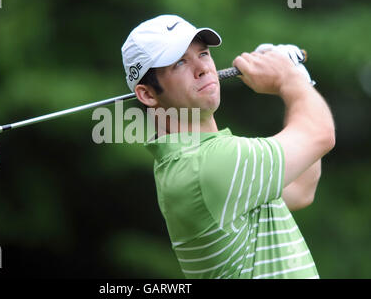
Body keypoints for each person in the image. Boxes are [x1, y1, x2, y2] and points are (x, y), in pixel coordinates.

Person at [121, 14, 335, 279]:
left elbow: (301, 189)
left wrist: (297, 78)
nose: (202, 68)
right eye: (179, 63)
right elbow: (320, 135)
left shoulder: (193, 161)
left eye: (203, 54)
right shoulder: (207, 165)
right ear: (148, 94)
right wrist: (289, 78)